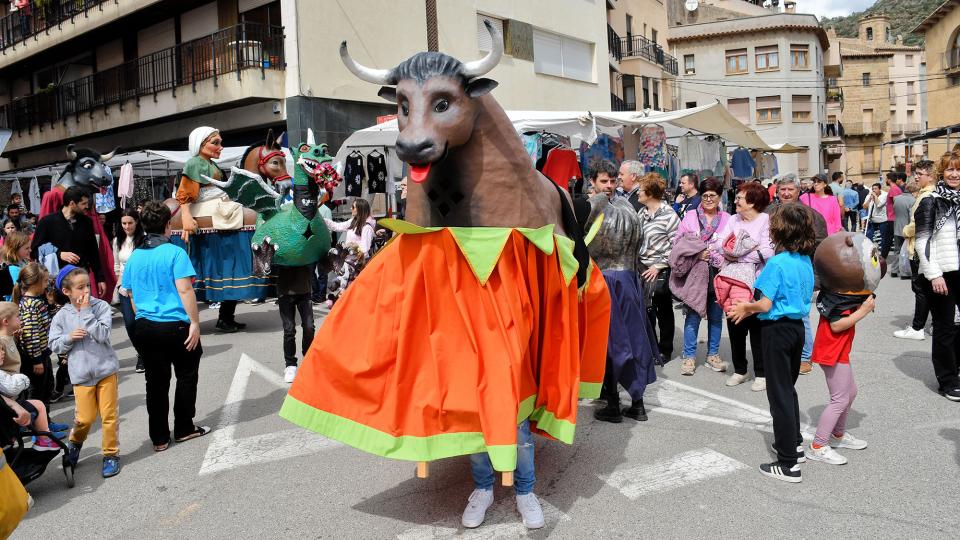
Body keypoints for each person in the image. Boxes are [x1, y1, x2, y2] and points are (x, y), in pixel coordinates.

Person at [728, 204, 815, 483]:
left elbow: (765, 303)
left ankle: (788, 463)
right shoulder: (804, 261)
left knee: (778, 395)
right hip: (797, 329)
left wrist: (746, 308)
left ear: (778, 231)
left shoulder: (776, 263)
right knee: (787, 390)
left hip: (776, 330)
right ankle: (795, 444)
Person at [122, 202, 210, 450]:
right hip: (176, 325)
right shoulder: (175, 253)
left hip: (146, 326)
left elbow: (130, 294)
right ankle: (184, 428)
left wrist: (144, 317)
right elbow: (185, 289)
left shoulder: (135, 256)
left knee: (156, 384)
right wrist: (195, 322)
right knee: (186, 376)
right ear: (167, 225)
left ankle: (159, 438)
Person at [587, 163, 660, 423]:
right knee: (634, 338)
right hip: (627, 278)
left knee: (611, 342)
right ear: (594, 181)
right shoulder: (629, 206)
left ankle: (614, 403)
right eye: (604, 181)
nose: (608, 186)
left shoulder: (596, 205)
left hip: (606, 279)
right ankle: (636, 403)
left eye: (611, 181)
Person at [49, 266, 121, 478]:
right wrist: (69, 338)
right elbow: (54, 345)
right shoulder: (61, 316)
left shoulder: (100, 307)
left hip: (105, 370)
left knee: (109, 416)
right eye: (80, 288)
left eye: (87, 285)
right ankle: (75, 443)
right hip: (80, 376)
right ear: (67, 291)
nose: (86, 291)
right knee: (85, 419)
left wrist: (87, 312)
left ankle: (111, 454)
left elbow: (102, 334)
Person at [174, 126, 248, 333]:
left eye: (220, 142)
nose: (220, 147)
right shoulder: (195, 163)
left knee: (229, 268)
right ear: (200, 144)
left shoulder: (212, 165)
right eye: (215, 142)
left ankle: (226, 316)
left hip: (219, 215)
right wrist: (186, 216)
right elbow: (185, 192)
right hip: (206, 217)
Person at [715, 182, 774, 389]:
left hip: (758, 282)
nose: (736, 200)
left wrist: (738, 255)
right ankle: (740, 369)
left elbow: (767, 251)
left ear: (752, 201)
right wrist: (747, 254)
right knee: (735, 324)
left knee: (757, 328)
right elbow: (721, 245)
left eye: (740, 197)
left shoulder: (766, 220)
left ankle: (762, 373)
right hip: (734, 281)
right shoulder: (733, 219)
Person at [808, 293, 874, 466]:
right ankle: (818, 445)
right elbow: (836, 325)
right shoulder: (839, 296)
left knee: (850, 393)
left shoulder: (842, 293)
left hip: (838, 350)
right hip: (832, 352)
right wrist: (863, 311)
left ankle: (838, 435)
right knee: (840, 399)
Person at [673, 177, 730, 376]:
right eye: (704, 196)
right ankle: (689, 356)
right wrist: (697, 253)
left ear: (719, 196)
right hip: (695, 273)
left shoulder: (727, 219)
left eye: (712, 196)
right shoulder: (689, 216)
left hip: (718, 273)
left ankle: (712, 354)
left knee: (715, 316)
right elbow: (678, 242)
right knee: (693, 315)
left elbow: (732, 245)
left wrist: (717, 254)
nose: (708, 199)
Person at [915, 152, 960, 401]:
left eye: (958, 170)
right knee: (945, 328)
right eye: (949, 170)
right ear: (941, 173)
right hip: (941, 273)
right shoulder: (931, 201)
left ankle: (956, 370)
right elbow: (922, 241)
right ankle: (948, 381)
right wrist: (934, 275)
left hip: (959, 269)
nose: (954, 174)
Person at [30, 186, 106, 299]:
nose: (87, 206)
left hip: (80, 278)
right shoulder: (47, 222)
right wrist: (59, 254)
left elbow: (93, 252)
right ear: (72, 203)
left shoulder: (86, 222)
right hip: (56, 280)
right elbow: (35, 251)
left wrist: (100, 279)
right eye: (83, 203)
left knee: (83, 312)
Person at [637, 173, 681, 361]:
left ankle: (665, 350)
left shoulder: (669, 215)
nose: (638, 193)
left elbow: (676, 245)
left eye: (640, 190)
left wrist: (659, 265)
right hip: (642, 266)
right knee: (646, 308)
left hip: (660, 268)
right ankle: (651, 347)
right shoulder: (642, 213)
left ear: (650, 192)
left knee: (662, 308)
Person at [896, 160, 936, 340]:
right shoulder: (929, 193)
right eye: (916, 173)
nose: (916, 176)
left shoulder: (927, 196)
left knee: (921, 289)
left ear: (931, 176)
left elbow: (920, 223)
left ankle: (917, 327)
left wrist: (905, 231)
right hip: (926, 246)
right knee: (930, 288)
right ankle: (934, 324)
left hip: (920, 247)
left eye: (920, 174)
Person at [13, 263, 57, 406]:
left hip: (43, 353)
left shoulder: (37, 301)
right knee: (37, 392)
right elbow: (31, 335)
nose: (46, 285)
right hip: (35, 357)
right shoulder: (30, 305)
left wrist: (50, 304)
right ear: (34, 283)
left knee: (48, 386)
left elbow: (48, 321)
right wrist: (36, 360)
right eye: (44, 281)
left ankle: (47, 421)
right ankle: (38, 425)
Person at [322, 198, 375, 305]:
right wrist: (322, 220)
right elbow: (337, 226)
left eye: (353, 207)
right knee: (346, 288)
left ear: (360, 209)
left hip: (358, 264)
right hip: (347, 261)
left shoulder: (367, 227)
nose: (351, 208)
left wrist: (352, 254)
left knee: (351, 289)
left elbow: (365, 248)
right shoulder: (353, 221)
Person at [113, 208, 145, 373]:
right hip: (124, 287)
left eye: (130, 223)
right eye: (124, 223)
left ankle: (146, 354)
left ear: (137, 222)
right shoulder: (117, 240)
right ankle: (141, 352)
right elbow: (117, 265)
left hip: (141, 287)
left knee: (142, 321)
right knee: (130, 323)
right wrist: (118, 284)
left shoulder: (144, 239)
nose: (126, 226)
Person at [276, 262, 316, 384]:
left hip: (304, 288)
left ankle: (308, 360)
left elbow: (321, 258)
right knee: (289, 329)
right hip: (285, 289)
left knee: (309, 326)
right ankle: (290, 365)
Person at [891, 182, 918, 279]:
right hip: (907, 228)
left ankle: (894, 270)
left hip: (897, 227)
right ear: (913, 191)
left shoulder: (897, 199)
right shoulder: (913, 200)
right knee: (907, 252)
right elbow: (912, 216)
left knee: (897, 250)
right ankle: (905, 272)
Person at [0, 231, 30, 301]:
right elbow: (19, 293)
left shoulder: (23, 262)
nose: (30, 250)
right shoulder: (13, 269)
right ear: (15, 249)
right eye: (27, 248)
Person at [863, 183, 890, 251]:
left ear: (879, 189)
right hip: (872, 219)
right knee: (869, 235)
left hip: (882, 220)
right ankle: (870, 249)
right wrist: (869, 199)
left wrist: (875, 197)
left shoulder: (884, 195)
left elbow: (879, 205)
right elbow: (864, 207)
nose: (874, 190)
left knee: (883, 236)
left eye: (875, 189)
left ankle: (883, 251)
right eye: (873, 189)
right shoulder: (868, 196)